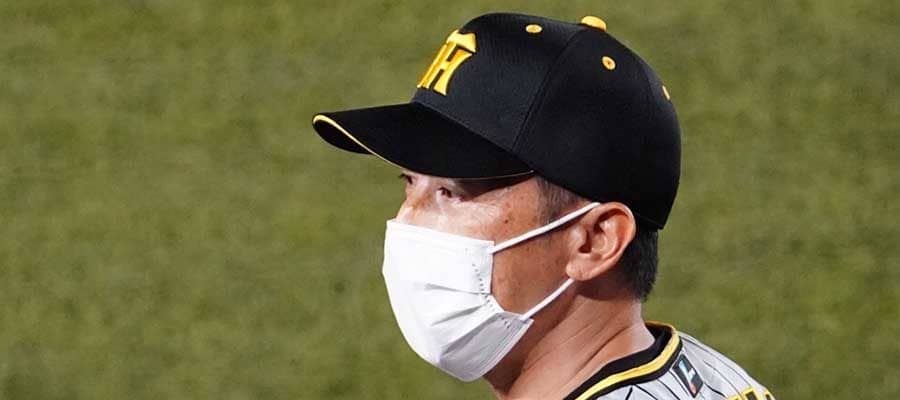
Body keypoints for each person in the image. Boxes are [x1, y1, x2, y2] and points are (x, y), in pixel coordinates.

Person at [311, 12, 775, 400]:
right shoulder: (703, 373)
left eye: (453, 192)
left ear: (595, 240)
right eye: (410, 182)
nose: (407, 223)